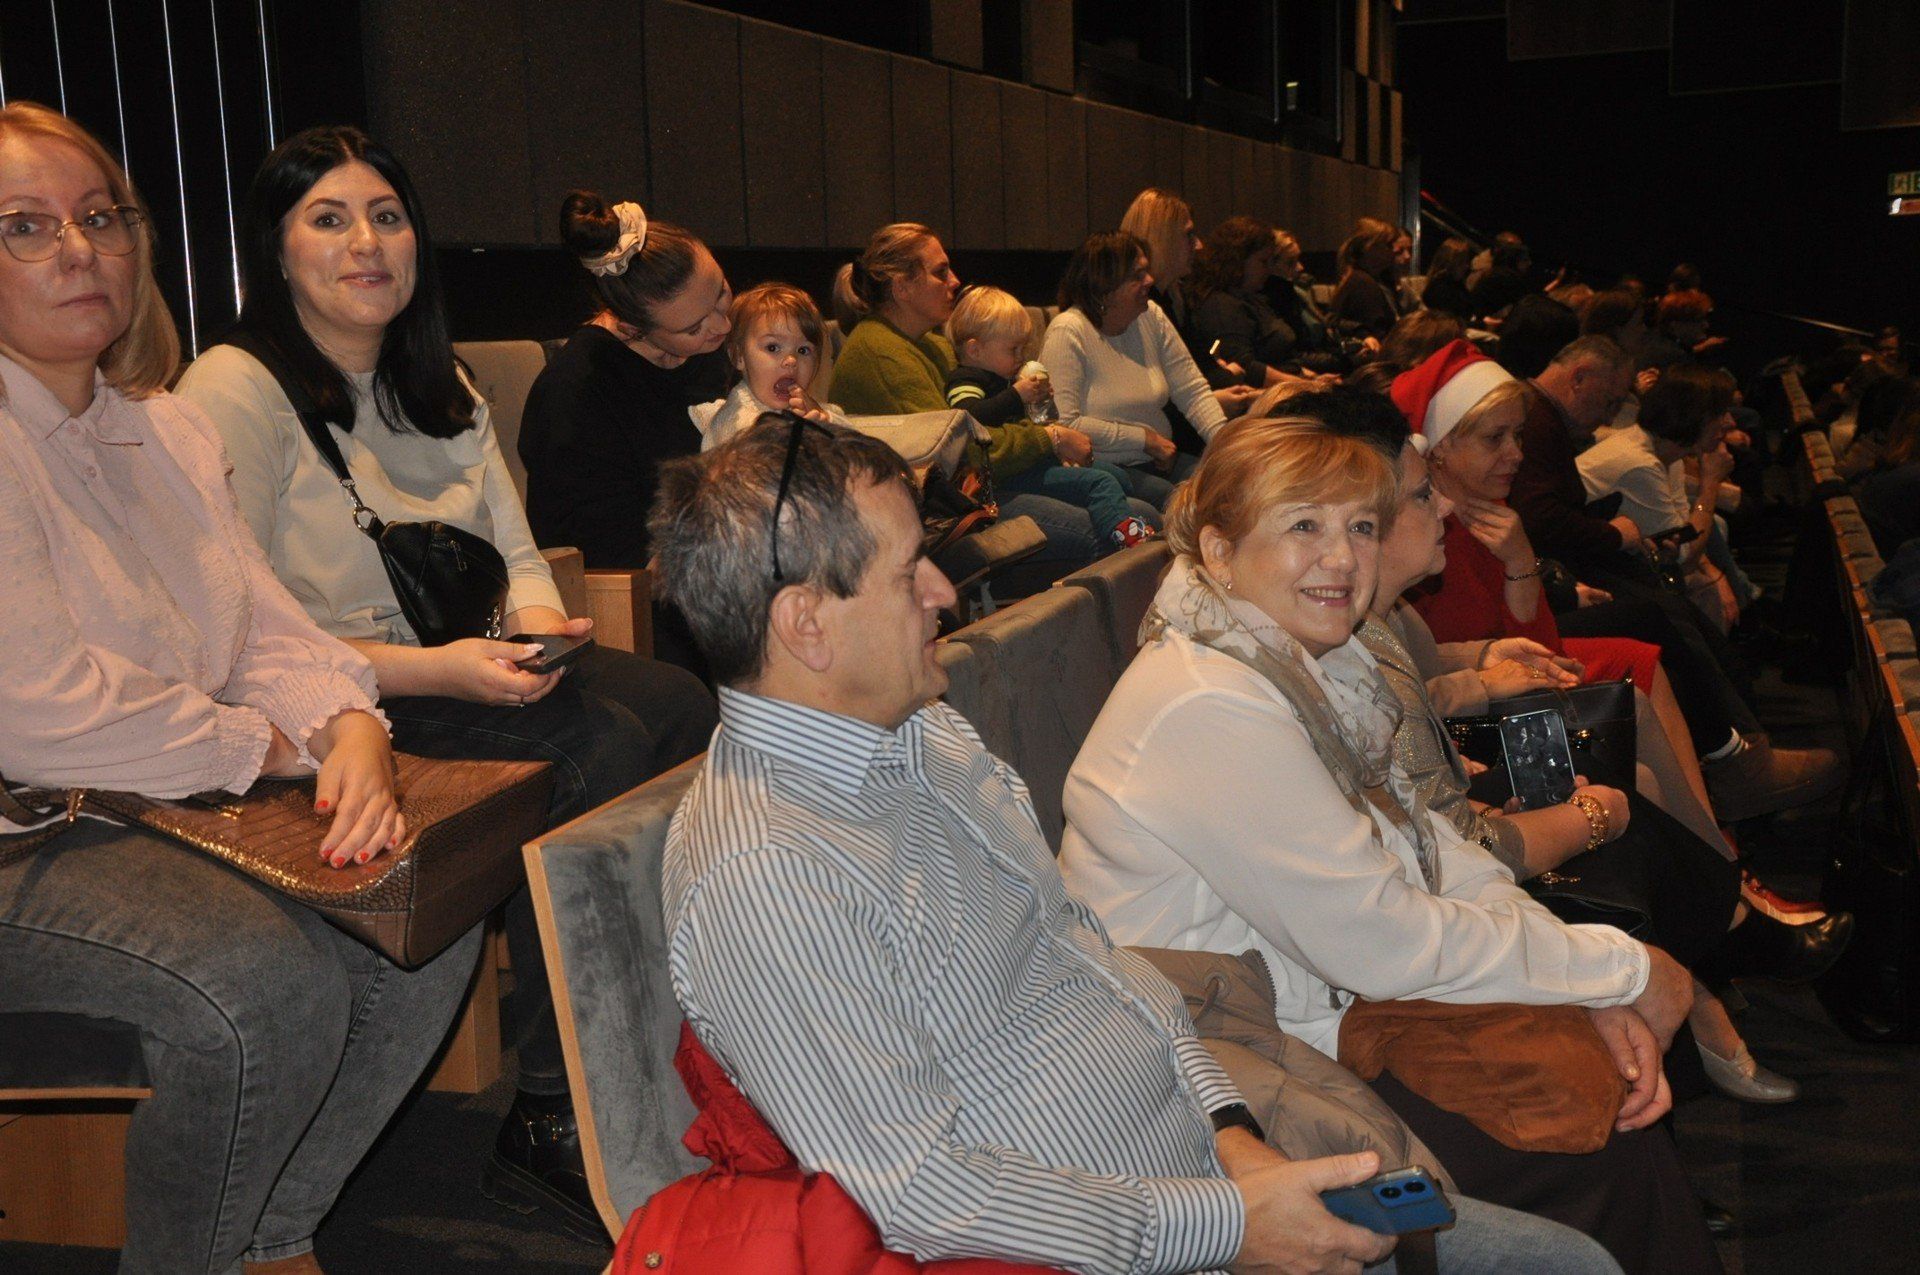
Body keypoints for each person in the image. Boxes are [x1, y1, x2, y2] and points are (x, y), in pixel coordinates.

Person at [647, 414, 1621, 1274]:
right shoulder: (767, 870)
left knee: (1567, 1258)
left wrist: (1231, 1134)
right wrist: (1227, 1227)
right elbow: (916, 1195)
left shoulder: (923, 733)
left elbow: (1097, 957)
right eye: (909, 572)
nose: (945, 591)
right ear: (805, 624)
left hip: (1205, 1163)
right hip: (1123, 1245)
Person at [174, 126, 718, 1240]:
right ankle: (553, 1105)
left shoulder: (439, 377)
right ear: (276, 251)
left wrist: (534, 634)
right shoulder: (233, 390)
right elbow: (241, 636)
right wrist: (450, 672)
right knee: (597, 751)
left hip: (467, 660)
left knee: (680, 706)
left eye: (386, 215)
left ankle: (670, 1030)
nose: (366, 243)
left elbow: (515, 547)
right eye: (328, 219)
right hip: (331, 695)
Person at [1057, 415, 1719, 1273]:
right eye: (1304, 526)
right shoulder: (1208, 700)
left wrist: (1585, 980)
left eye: (1359, 526)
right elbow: (1384, 939)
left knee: (1603, 1101)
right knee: (1594, 1149)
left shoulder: (1318, 660)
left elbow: (1441, 855)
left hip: (1323, 1009)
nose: (1342, 557)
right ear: (1217, 552)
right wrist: (1619, 968)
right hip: (1219, 1064)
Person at [0, 100, 482, 1275]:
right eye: (24, 226)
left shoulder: (164, 434)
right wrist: (272, 748)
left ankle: (268, 1239)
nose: (81, 250)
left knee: (426, 897)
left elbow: (272, 634)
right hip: (21, 841)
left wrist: (354, 727)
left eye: (100, 217)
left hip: (148, 812)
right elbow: (41, 707)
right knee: (264, 978)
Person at [1292, 387, 1843, 1105]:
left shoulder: (1383, 600)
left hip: (1451, 783)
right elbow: (1427, 794)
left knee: (1632, 709)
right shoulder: (1343, 616)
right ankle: (1720, 941)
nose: (1509, 459)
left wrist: (1502, 614)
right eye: (1428, 492)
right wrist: (1572, 798)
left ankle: (1722, 921)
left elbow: (1441, 678)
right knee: (1623, 779)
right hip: (1446, 812)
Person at [1399, 340, 1832, 833]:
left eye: (1517, 436)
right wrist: (1521, 561)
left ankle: (1723, 809)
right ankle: (1722, 825)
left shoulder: (1488, 515)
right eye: (1496, 438)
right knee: (1644, 638)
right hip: (1463, 717)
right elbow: (1526, 658)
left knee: (1643, 646)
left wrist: (1520, 560)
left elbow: (1530, 649)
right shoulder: (1426, 538)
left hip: (1491, 687)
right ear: (1436, 450)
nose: (1516, 454)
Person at [827, 222, 1155, 563]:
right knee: (1107, 541)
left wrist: (1043, 432)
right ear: (903, 287)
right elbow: (962, 456)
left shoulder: (932, 344)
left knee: (1140, 513)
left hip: (979, 490)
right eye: (941, 273)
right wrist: (1050, 438)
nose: (955, 281)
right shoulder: (880, 353)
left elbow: (979, 427)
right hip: (936, 522)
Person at [514, 187, 734, 671]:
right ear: (633, 326)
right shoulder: (575, 394)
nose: (721, 326)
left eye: (721, 291)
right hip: (653, 607)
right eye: (695, 326)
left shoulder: (705, 352)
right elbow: (602, 562)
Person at [1041, 230, 1258, 506]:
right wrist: (1143, 439)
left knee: (1236, 486)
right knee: (1199, 504)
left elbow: (1192, 391)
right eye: (1137, 275)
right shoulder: (1068, 331)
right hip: (1106, 470)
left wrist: (1226, 446)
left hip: (1160, 460)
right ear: (1105, 287)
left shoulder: (1151, 316)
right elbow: (1062, 425)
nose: (1150, 280)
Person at [943, 285, 1156, 550]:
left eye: (1023, 350)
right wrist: (1018, 396)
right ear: (975, 350)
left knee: (1118, 476)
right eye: (1013, 350)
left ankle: (1122, 521)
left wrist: (1040, 404)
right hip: (1008, 475)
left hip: (1032, 462)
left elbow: (1028, 426)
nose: (1021, 358)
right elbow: (969, 417)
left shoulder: (1004, 380)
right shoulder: (965, 380)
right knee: (1100, 482)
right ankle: (1125, 538)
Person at [1577, 365, 1742, 629]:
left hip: (1616, 562)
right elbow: (1685, 556)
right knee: (1702, 590)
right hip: (1587, 570)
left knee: (1706, 585)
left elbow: (1681, 536)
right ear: (1695, 417)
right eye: (1720, 414)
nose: (1730, 423)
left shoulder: (1665, 452)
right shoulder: (1641, 463)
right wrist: (1710, 482)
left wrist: (1715, 573)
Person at [692, 282, 850, 448]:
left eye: (803, 350)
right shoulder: (738, 422)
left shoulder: (805, 408)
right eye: (773, 348)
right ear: (739, 356)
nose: (791, 360)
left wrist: (824, 419)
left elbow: (859, 448)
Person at [1120, 186, 1243, 388]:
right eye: (1189, 235)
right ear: (1162, 239)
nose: (1199, 245)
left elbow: (1199, 367)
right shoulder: (1137, 307)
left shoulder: (1175, 297)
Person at [1187, 214, 1316, 389]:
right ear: (1237, 260)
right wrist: (1306, 386)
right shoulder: (1221, 305)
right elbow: (1245, 366)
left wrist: (1308, 377)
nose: (1269, 269)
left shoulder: (1253, 297)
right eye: (1263, 261)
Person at [1329, 217, 1402, 341]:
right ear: (1370, 248)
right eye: (1388, 245)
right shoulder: (1362, 283)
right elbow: (1379, 333)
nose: (1395, 250)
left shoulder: (1370, 279)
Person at [1420, 237, 1478, 321]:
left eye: (1467, 261)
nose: (1466, 266)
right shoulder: (1440, 289)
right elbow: (1453, 321)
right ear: (1449, 264)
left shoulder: (1457, 285)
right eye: (1461, 262)